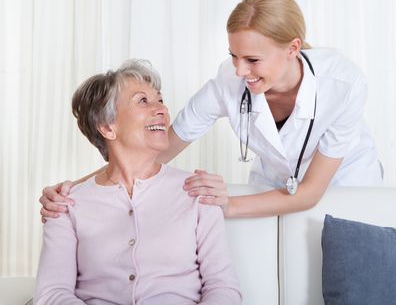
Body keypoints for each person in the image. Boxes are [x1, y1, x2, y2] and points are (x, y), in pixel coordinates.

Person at [39, 0, 383, 220]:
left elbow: (308, 194)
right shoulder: (228, 81)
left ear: (293, 49)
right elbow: (155, 152)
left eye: (252, 60)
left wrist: (225, 205)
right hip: (272, 184)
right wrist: (73, 189)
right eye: (233, 56)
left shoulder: (343, 84)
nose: (239, 70)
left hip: (345, 186)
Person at [34, 60, 242, 304]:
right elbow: (52, 294)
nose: (162, 110)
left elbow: (222, 287)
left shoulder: (197, 190)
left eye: (160, 100)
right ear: (107, 127)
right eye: (143, 101)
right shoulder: (65, 205)